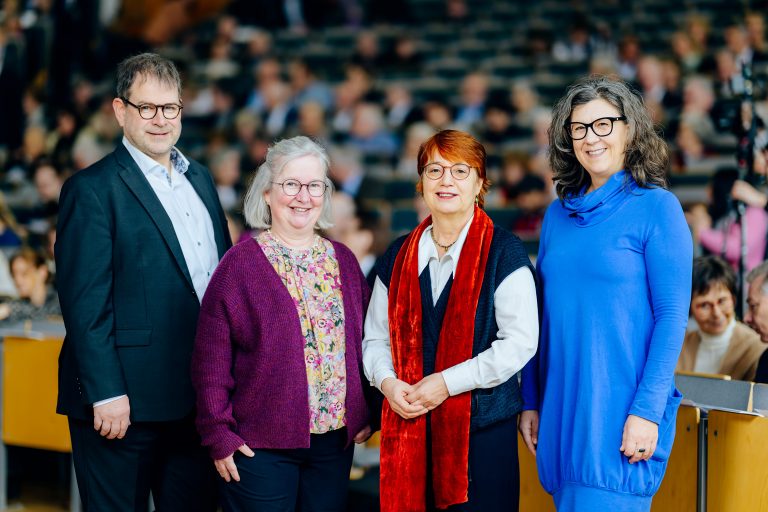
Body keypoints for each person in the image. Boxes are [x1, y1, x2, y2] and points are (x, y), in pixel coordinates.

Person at [55, 53, 232, 512]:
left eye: (169, 107)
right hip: (122, 405)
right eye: (146, 108)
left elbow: (220, 284)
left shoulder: (202, 180)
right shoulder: (91, 189)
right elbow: (84, 303)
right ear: (120, 111)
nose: (160, 119)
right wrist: (106, 392)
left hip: (197, 399)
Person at [519, 76, 692, 511]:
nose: (590, 138)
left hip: (619, 414)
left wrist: (647, 410)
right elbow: (543, 315)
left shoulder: (658, 208)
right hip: (561, 411)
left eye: (603, 124)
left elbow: (672, 316)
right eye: (579, 128)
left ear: (629, 129)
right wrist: (530, 401)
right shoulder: (556, 217)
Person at [191, 136, 373, 511]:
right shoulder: (239, 266)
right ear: (268, 193)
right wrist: (217, 433)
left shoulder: (344, 261)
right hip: (260, 446)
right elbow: (210, 361)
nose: (303, 196)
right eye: (291, 184)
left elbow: (367, 342)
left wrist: (368, 407)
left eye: (314, 185)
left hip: (334, 443)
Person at [363, 129, 539, 511]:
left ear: (480, 182)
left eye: (461, 170)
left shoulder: (504, 252)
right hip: (410, 427)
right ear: (421, 182)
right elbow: (375, 340)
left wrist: (446, 383)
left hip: (482, 435)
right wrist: (388, 383)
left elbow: (520, 343)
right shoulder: (396, 255)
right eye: (435, 170)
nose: (446, 181)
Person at [676, 256, 766, 380]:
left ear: (734, 299)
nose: (716, 313)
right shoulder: (680, 345)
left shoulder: (757, 347)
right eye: (704, 305)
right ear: (690, 308)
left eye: (722, 301)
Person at [0, 247, 60, 324]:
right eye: (14, 275)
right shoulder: (19, 303)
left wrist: (9, 309)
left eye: (24, 273)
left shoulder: (60, 301)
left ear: (42, 272)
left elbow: (45, 314)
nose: (17, 280)